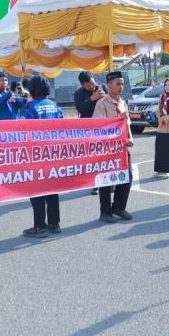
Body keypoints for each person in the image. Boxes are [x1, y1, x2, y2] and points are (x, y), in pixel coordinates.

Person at [22, 76, 64, 237]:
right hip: (53, 155)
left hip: (36, 155)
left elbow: (23, 133)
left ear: (31, 90)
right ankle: (54, 223)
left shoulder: (30, 108)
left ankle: (39, 226)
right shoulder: (55, 106)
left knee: (37, 190)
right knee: (53, 189)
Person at [93, 71, 134, 223]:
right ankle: (105, 212)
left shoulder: (123, 103)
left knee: (128, 176)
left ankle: (119, 207)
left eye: (122, 84)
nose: (121, 87)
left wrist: (130, 138)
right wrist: (118, 119)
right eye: (118, 84)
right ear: (109, 85)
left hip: (122, 147)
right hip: (107, 148)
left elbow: (126, 124)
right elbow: (99, 127)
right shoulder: (101, 104)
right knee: (106, 179)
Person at [74, 71, 105, 195]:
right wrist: (91, 99)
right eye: (88, 85)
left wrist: (104, 96)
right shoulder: (78, 94)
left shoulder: (103, 88)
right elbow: (80, 109)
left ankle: (110, 182)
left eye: (92, 83)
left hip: (105, 127)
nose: (91, 87)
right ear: (82, 85)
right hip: (89, 129)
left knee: (106, 155)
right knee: (93, 157)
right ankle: (95, 183)